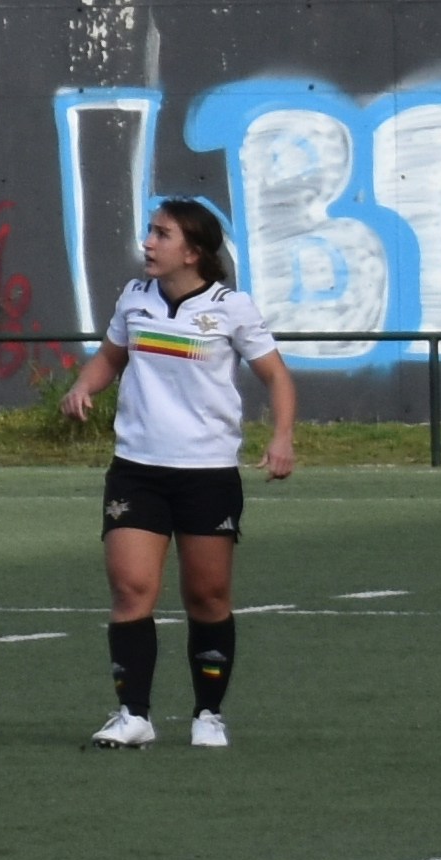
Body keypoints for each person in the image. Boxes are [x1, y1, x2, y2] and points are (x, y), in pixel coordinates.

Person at [59, 194, 295, 751]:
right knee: (131, 588)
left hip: (206, 473)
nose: (148, 242)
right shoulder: (134, 297)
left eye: (161, 234)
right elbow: (111, 358)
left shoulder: (230, 307)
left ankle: (208, 714)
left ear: (193, 251)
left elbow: (277, 377)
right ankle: (133, 714)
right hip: (136, 469)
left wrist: (281, 436)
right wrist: (83, 386)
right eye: (150, 232)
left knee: (208, 597)